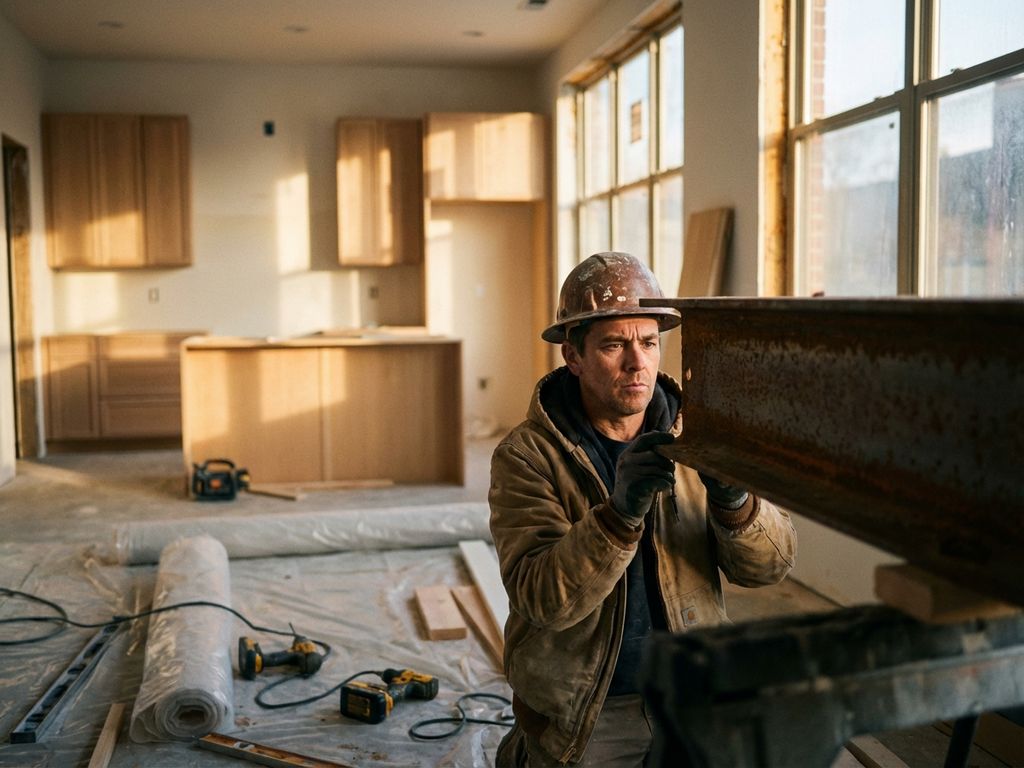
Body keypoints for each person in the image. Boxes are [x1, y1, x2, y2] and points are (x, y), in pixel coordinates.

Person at [488, 252, 797, 767]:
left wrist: (735, 502)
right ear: (573, 356)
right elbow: (542, 600)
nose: (638, 363)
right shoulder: (528, 456)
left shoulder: (700, 434)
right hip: (588, 713)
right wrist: (616, 518)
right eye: (614, 345)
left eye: (649, 342)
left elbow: (770, 568)